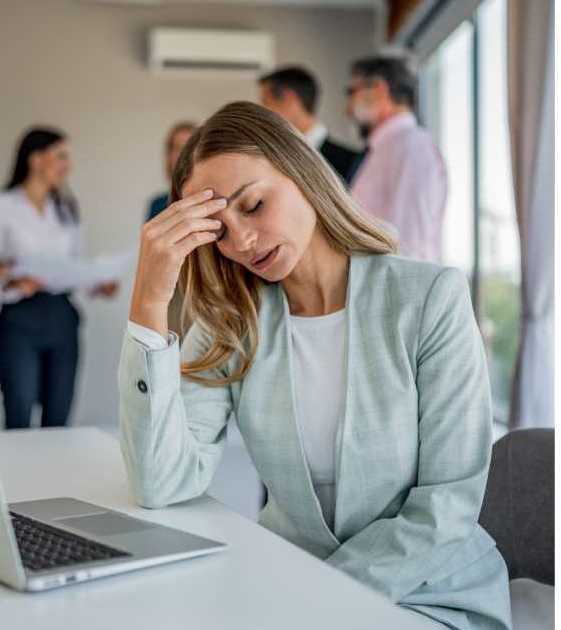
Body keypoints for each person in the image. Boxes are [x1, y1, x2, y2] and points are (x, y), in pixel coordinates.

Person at [121, 101, 509, 629]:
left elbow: (446, 508)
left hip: (431, 593)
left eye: (253, 205)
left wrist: (313, 598)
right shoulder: (233, 321)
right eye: (219, 230)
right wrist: (149, 302)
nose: (242, 241)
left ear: (302, 172)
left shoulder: (428, 299)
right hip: (286, 590)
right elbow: (160, 482)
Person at [0, 127, 115, 430]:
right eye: (61, 157)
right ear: (36, 159)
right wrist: (13, 283)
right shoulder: (0, 208)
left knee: (59, 418)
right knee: (19, 412)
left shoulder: (66, 209)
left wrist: (97, 283)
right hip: (21, 318)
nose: (68, 166)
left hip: (63, 317)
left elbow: (72, 267)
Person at [346, 56, 447, 262]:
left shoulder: (411, 148)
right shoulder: (389, 148)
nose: (347, 108)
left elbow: (410, 246)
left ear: (379, 90)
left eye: (352, 92)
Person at [259, 66, 363, 184]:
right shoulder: (268, 160)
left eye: (266, 103)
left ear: (289, 98)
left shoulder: (353, 163)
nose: (263, 113)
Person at [146, 121, 197, 221]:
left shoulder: (211, 202)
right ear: (169, 156)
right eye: (177, 148)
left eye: (188, 148)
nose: (182, 155)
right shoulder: (157, 205)